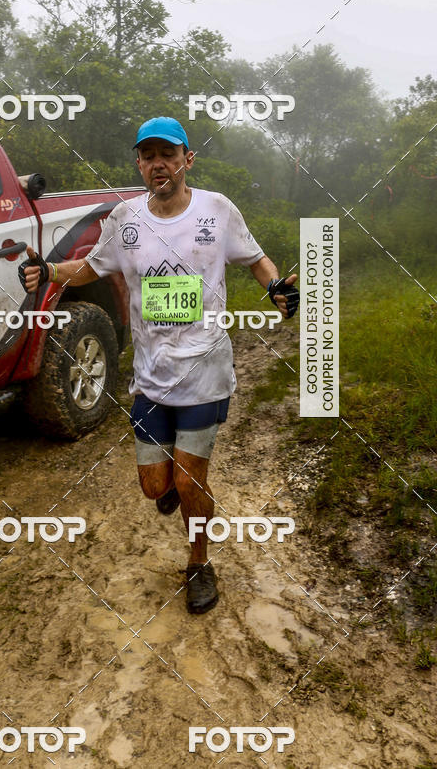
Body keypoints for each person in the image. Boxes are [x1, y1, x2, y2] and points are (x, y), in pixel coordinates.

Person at [18, 117, 299, 614]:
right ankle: (170, 487)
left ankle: (199, 565)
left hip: (205, 371)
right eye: (148, 156)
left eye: (167, 154)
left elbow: (256, 259)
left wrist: (275, 287)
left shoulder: (217, 210)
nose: (158, 164)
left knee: (192, 481)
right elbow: (92, 267)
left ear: (187, 159)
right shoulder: (125, 219)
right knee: (156, 488)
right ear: (140, 164)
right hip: (150, 376)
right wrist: (51, 271)